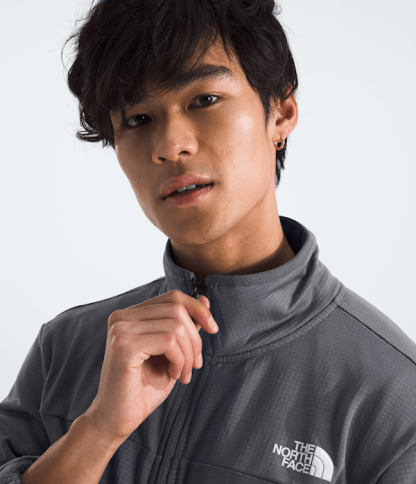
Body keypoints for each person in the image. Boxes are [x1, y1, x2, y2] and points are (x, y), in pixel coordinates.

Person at [1, 0, 415, 482]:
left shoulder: (393, 399)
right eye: (138, 119)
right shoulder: (64, 349)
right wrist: (97, 432)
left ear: (281, 113)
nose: (170, 145)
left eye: (205, 100)